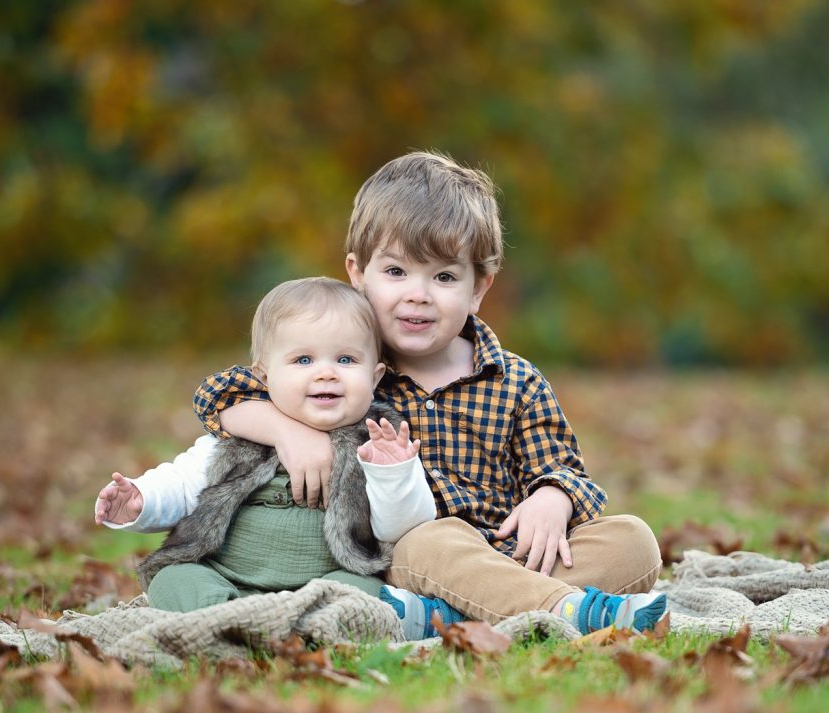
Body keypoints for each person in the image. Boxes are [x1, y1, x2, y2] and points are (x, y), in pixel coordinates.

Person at [191, 152, 666, 639]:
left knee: (633, 541)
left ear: (478, 288)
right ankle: (562, 612)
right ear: (358, 273)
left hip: (516, 553)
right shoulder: (345, 369)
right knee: (428, 541)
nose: (418, 295)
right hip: (413, 560)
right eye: (396, 272)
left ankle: (461, 617)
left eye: (443, 277)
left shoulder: (516, 381)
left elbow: (564, 467)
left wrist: (553, 497)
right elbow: (220, 394)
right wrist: (285, 431)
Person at [94, 277, 444, 618]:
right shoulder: (242, 434)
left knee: (361, 596)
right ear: (264, 377)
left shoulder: (378, 441)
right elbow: (184, 483)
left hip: (324, 584)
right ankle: (222, 619)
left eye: (346, 360)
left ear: (375, 376)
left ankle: (276, 629)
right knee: (175, 578)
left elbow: (403, 528)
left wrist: (393, 474)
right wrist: (142, 500)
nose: (326, 373)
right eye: (303, 360)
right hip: (226, 575)